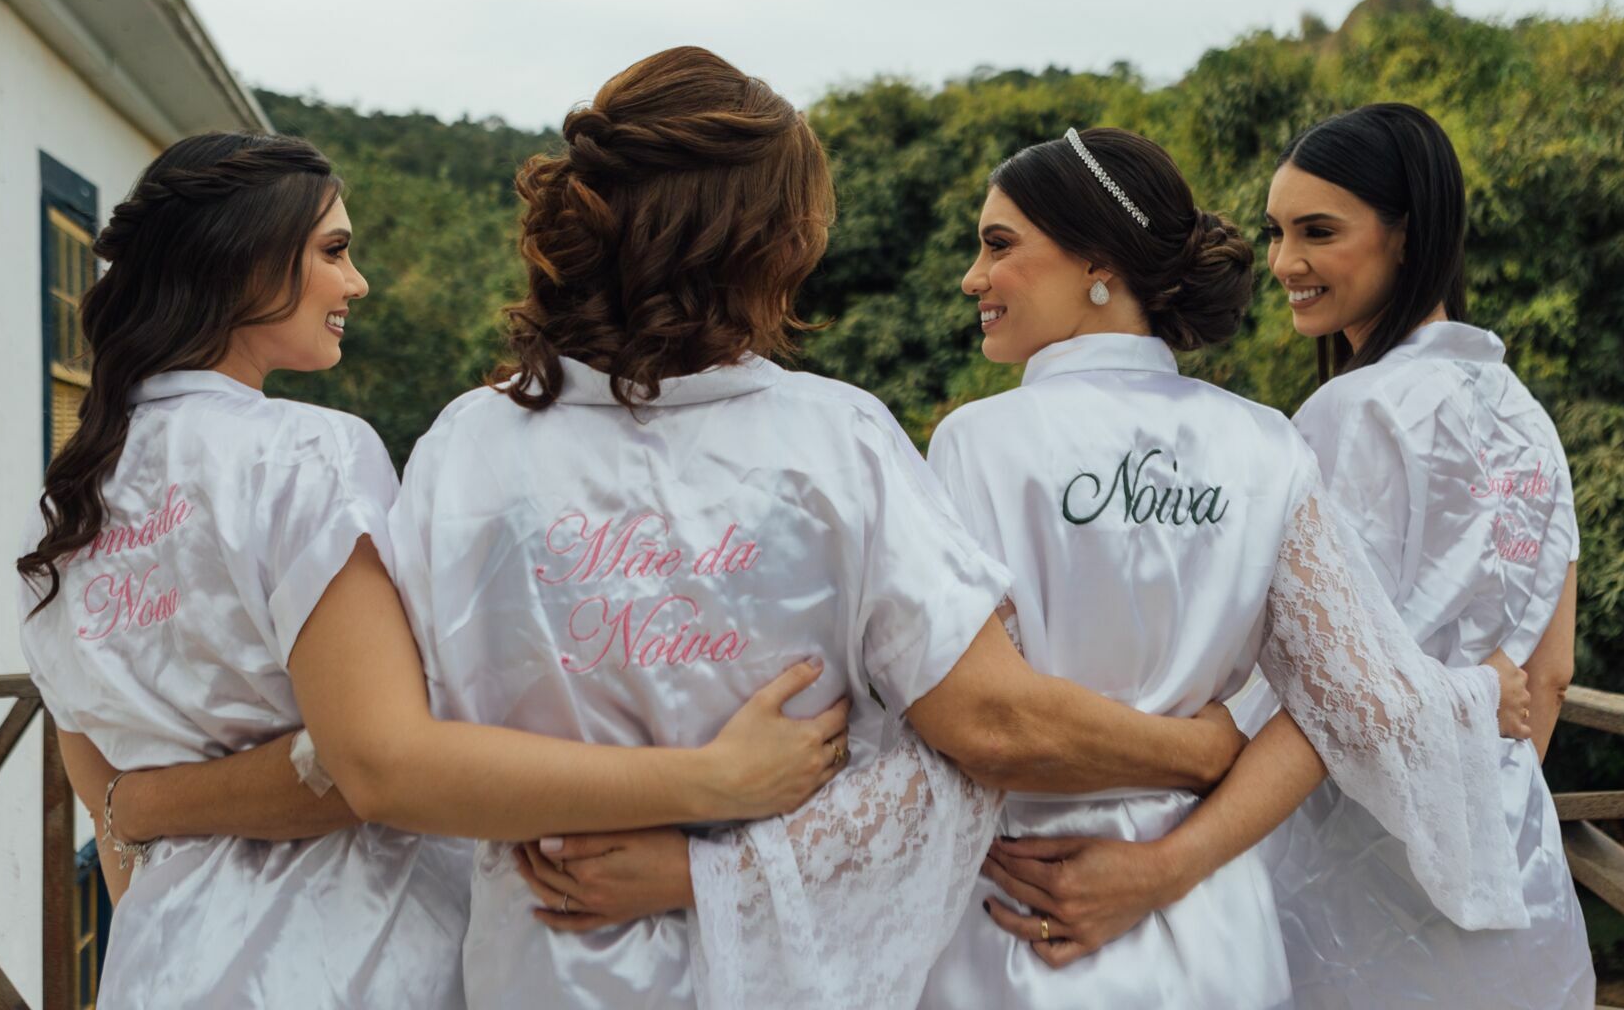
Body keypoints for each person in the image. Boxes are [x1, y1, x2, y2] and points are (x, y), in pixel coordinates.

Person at [392, 49, 1255, 1010]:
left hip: (539, 970)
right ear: (764, 244)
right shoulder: (835, 441)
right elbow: (978, 737)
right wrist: (1203, 750)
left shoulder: (464, 451)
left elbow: (385, 757)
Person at [16, 133, 850, 1009]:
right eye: (333, 251)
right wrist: (709, 781)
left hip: (159, 961)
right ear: (241, 261)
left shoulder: (61, 512)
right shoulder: (305, 455)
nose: (357, 281)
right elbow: (373, 764)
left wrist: (149, 818)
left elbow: (110, 805)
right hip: (348, 957)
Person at [989, 106, 1593, 1008]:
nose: (1283, 263)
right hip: (1519, 870)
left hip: (1361, 893)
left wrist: (1161, 869)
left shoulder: (1348, 418)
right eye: (1276, 231)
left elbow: (1325, 703)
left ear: (1408, 236)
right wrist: (1470, 798)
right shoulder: (1525, 418)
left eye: (1319, 232)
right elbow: (1548, 676)